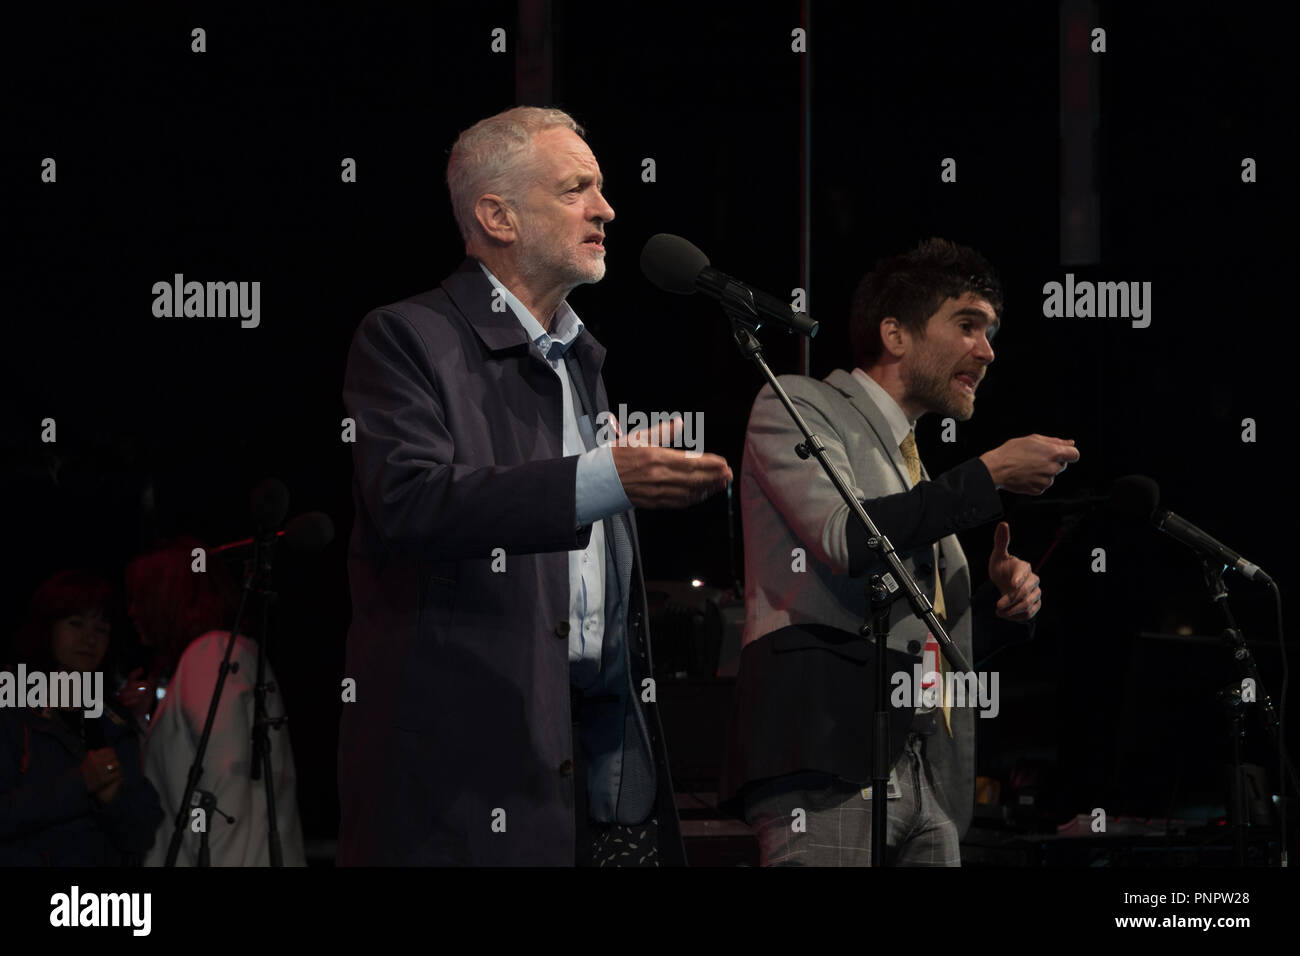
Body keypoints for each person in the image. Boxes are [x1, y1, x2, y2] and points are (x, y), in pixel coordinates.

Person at [337, 106, 733, 866]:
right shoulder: (406, 338)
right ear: (497, 215)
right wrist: (599, 480)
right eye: (576, 188)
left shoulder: (580, 358)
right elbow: (409, 502)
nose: (606, 208)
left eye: (602, 187)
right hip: (466, 781)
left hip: (589, 764)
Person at [720, 237, 1081, 866]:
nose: (987, 351)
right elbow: (845, 537)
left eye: (990, 331)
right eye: (967, 324)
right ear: (896, 334)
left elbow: (928, 637)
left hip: (924, 773)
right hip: (825, 758)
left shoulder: (915, 470)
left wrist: (1000, 606)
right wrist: (987, 472)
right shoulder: (799, 404)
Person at [125, 539, 306, 866]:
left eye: (140, 597)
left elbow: (224, 787)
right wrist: (143, 724)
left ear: (166, 598)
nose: (132, 611)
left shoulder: (212, 654)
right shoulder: (222, 655)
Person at [0, 570, 163, 865]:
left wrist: (114, 800)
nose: (90, 639)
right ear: (46, 629)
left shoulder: (113, 720)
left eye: (101, 629)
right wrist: (80, 783)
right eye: (76, 624)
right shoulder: (11, 708)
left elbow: (142, 834)